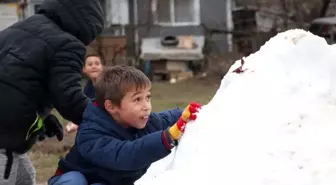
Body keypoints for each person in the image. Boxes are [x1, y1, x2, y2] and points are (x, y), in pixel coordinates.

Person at [0, 0, 104, 184]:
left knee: (26, 177)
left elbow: (15, 79)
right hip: (4, 141)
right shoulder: (67, 44)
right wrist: (108, 118)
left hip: (10, 135)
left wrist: (41, 118)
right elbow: (70, 99)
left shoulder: (20, 27)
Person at [48, 66, 201, 185]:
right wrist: (168, 137)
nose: (146, 106)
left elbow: (168, 117)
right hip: (71, 178)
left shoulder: (146, 121)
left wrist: (197, 112)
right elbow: (125, 154)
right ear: (111, 107)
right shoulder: (90, 133)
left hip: (106, 182)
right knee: (75, 180)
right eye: (137, 100)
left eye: (147, 97)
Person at [66, 54, 104, 133]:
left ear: (102, 67)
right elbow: (85, 108)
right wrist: (75, 122)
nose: (94, 66)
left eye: (97, 64)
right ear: (84, 69)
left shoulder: (108, 86)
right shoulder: (88, 88)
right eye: (90, 64)